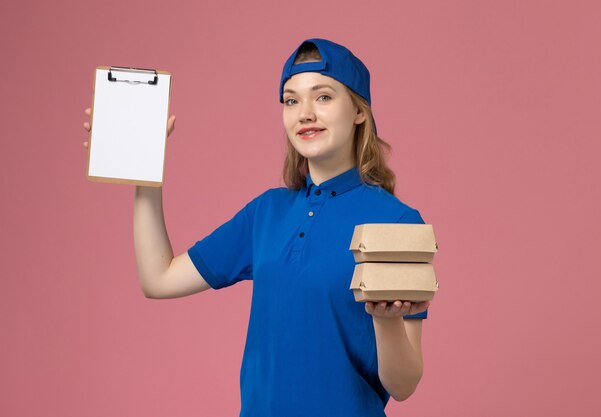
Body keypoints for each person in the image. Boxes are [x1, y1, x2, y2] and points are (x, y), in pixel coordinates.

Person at [83, 38, 432, 417]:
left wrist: (387, 320)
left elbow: (404, 385)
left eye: (324, 97)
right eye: (291, 100)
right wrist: (146, 175)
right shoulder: (266, 212)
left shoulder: (397, 221)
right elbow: (158, 278)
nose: (304, 113)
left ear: (359, 111)